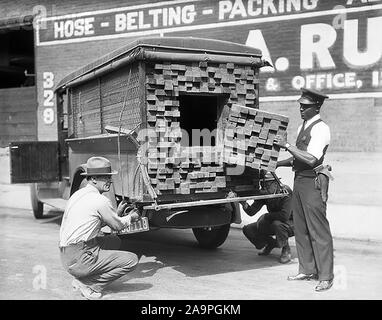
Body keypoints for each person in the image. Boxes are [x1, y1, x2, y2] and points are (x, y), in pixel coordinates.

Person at [274, 87, 334, 292]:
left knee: (318, 230)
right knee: (301, 228)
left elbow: (311, 158)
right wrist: (278, 164)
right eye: (300, 105)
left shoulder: (321, 128)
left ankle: (325, 276)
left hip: (313, 182)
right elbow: (297, 157)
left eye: (305, 106)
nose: (301, 108)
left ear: (316, 107)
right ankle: (307, 269)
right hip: (299, 180)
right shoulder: (303, 127)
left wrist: (288, 145)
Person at [59, 156, 140, 299]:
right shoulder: (100, 200)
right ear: (94, 179)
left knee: (114, 241)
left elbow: (93, 221)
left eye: (109, 177)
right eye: (105, 177)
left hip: (67, 254)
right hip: (80, 257)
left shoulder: (79, 194)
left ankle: (84, 275)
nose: (109, 181)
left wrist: (116, 213)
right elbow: (118, 226)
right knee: (132, 260)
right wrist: (131, 217)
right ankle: (90, 284)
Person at [241, 171, 294, 264]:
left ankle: (286, 249)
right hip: (275, 221)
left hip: (292, 223)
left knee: (277, 224)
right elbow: (251, 211)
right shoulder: (266, 194)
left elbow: (284, 216)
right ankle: (271, 243)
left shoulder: (285, 191)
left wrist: (266, 216)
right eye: (263, 185)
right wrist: (243, 203)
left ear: (275, 183)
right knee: (248, 229)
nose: (264, 188)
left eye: (267, 185)